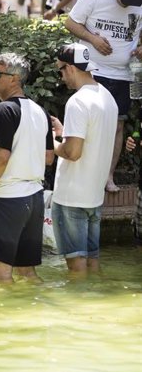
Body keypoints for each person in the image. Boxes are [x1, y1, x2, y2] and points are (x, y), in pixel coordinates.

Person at [0, 53, 55, 284]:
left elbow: (1, 157)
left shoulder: (4, 109)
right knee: (27, 273)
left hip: (7, 200)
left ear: (14, 79)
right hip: (34, 199)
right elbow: (49, 158)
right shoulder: (41, 111)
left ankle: (7, 318)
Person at [65, 0, 142, 192]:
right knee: (89, 125)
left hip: (125, 74)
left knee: (117, 126)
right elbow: (71, 23)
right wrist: (93, 39)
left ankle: (108, 177)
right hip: (94, 71)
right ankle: (84, 175)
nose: (128, 5)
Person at [50, 43, 117, 277]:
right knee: (93, 263)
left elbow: (73, 153)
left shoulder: (77, 102)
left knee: (76, 269)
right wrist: (63, 132)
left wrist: (49, 143)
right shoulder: (107, 97)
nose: (61, 78)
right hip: (94, 197)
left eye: (60, 71)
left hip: (71, 197)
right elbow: (92, 139)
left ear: (70, 68)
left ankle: (78, 311)